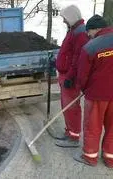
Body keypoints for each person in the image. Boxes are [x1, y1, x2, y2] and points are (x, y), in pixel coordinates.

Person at [74, 15, 113, 168]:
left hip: (97, 94)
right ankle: (110, 158)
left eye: (88, 32)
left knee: (93, 126)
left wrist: (84, 88)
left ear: (96, 29)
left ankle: (90, 157)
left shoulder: (90, 47)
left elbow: (82, 75)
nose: (88, 35)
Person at [55, 5, 89, 148]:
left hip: (71, 77)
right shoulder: (73, 30)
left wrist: (70, 77)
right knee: (66, 106)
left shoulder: (80, 33)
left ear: (71, 17)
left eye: (64, 18)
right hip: (65, 74)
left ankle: (74, 136)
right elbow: (67, 52)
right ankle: (70, 131)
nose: (63, 21)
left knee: (71, 107)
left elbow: (77, 58)